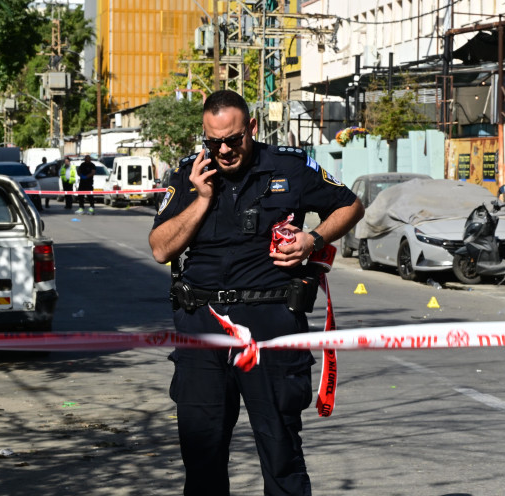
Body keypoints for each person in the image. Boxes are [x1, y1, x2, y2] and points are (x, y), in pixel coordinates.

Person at [148, 89, 364, 496]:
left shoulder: (289, 167)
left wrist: (312, 240)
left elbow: (350, 205)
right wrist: (203, 198)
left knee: (280, 451)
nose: (225, 150)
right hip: (202, 324)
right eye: (214, 142)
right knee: (202, 456)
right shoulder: (190, 175)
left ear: (251, 127)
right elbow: (161, 248)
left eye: (233, 139)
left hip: (271, 323)